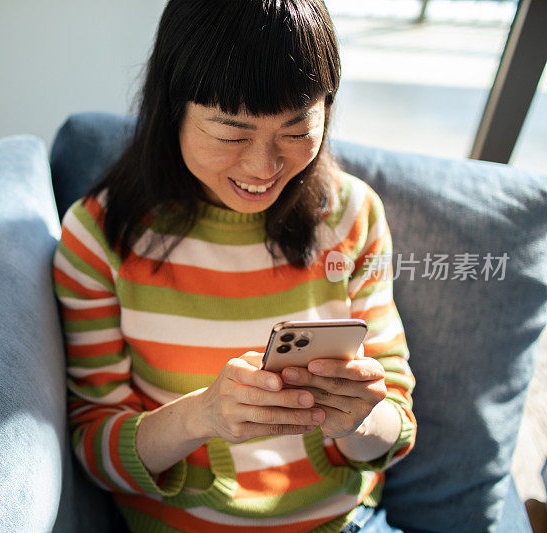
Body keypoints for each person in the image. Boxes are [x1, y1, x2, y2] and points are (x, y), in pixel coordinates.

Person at [52, 0, 416, 531]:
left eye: (296, 130)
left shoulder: (352, 214)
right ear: (172, 108)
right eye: (230, 135)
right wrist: (201, 417)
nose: (262, 168)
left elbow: (396, 429)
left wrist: (358, 419)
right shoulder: (99, 237)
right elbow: (92, 448)